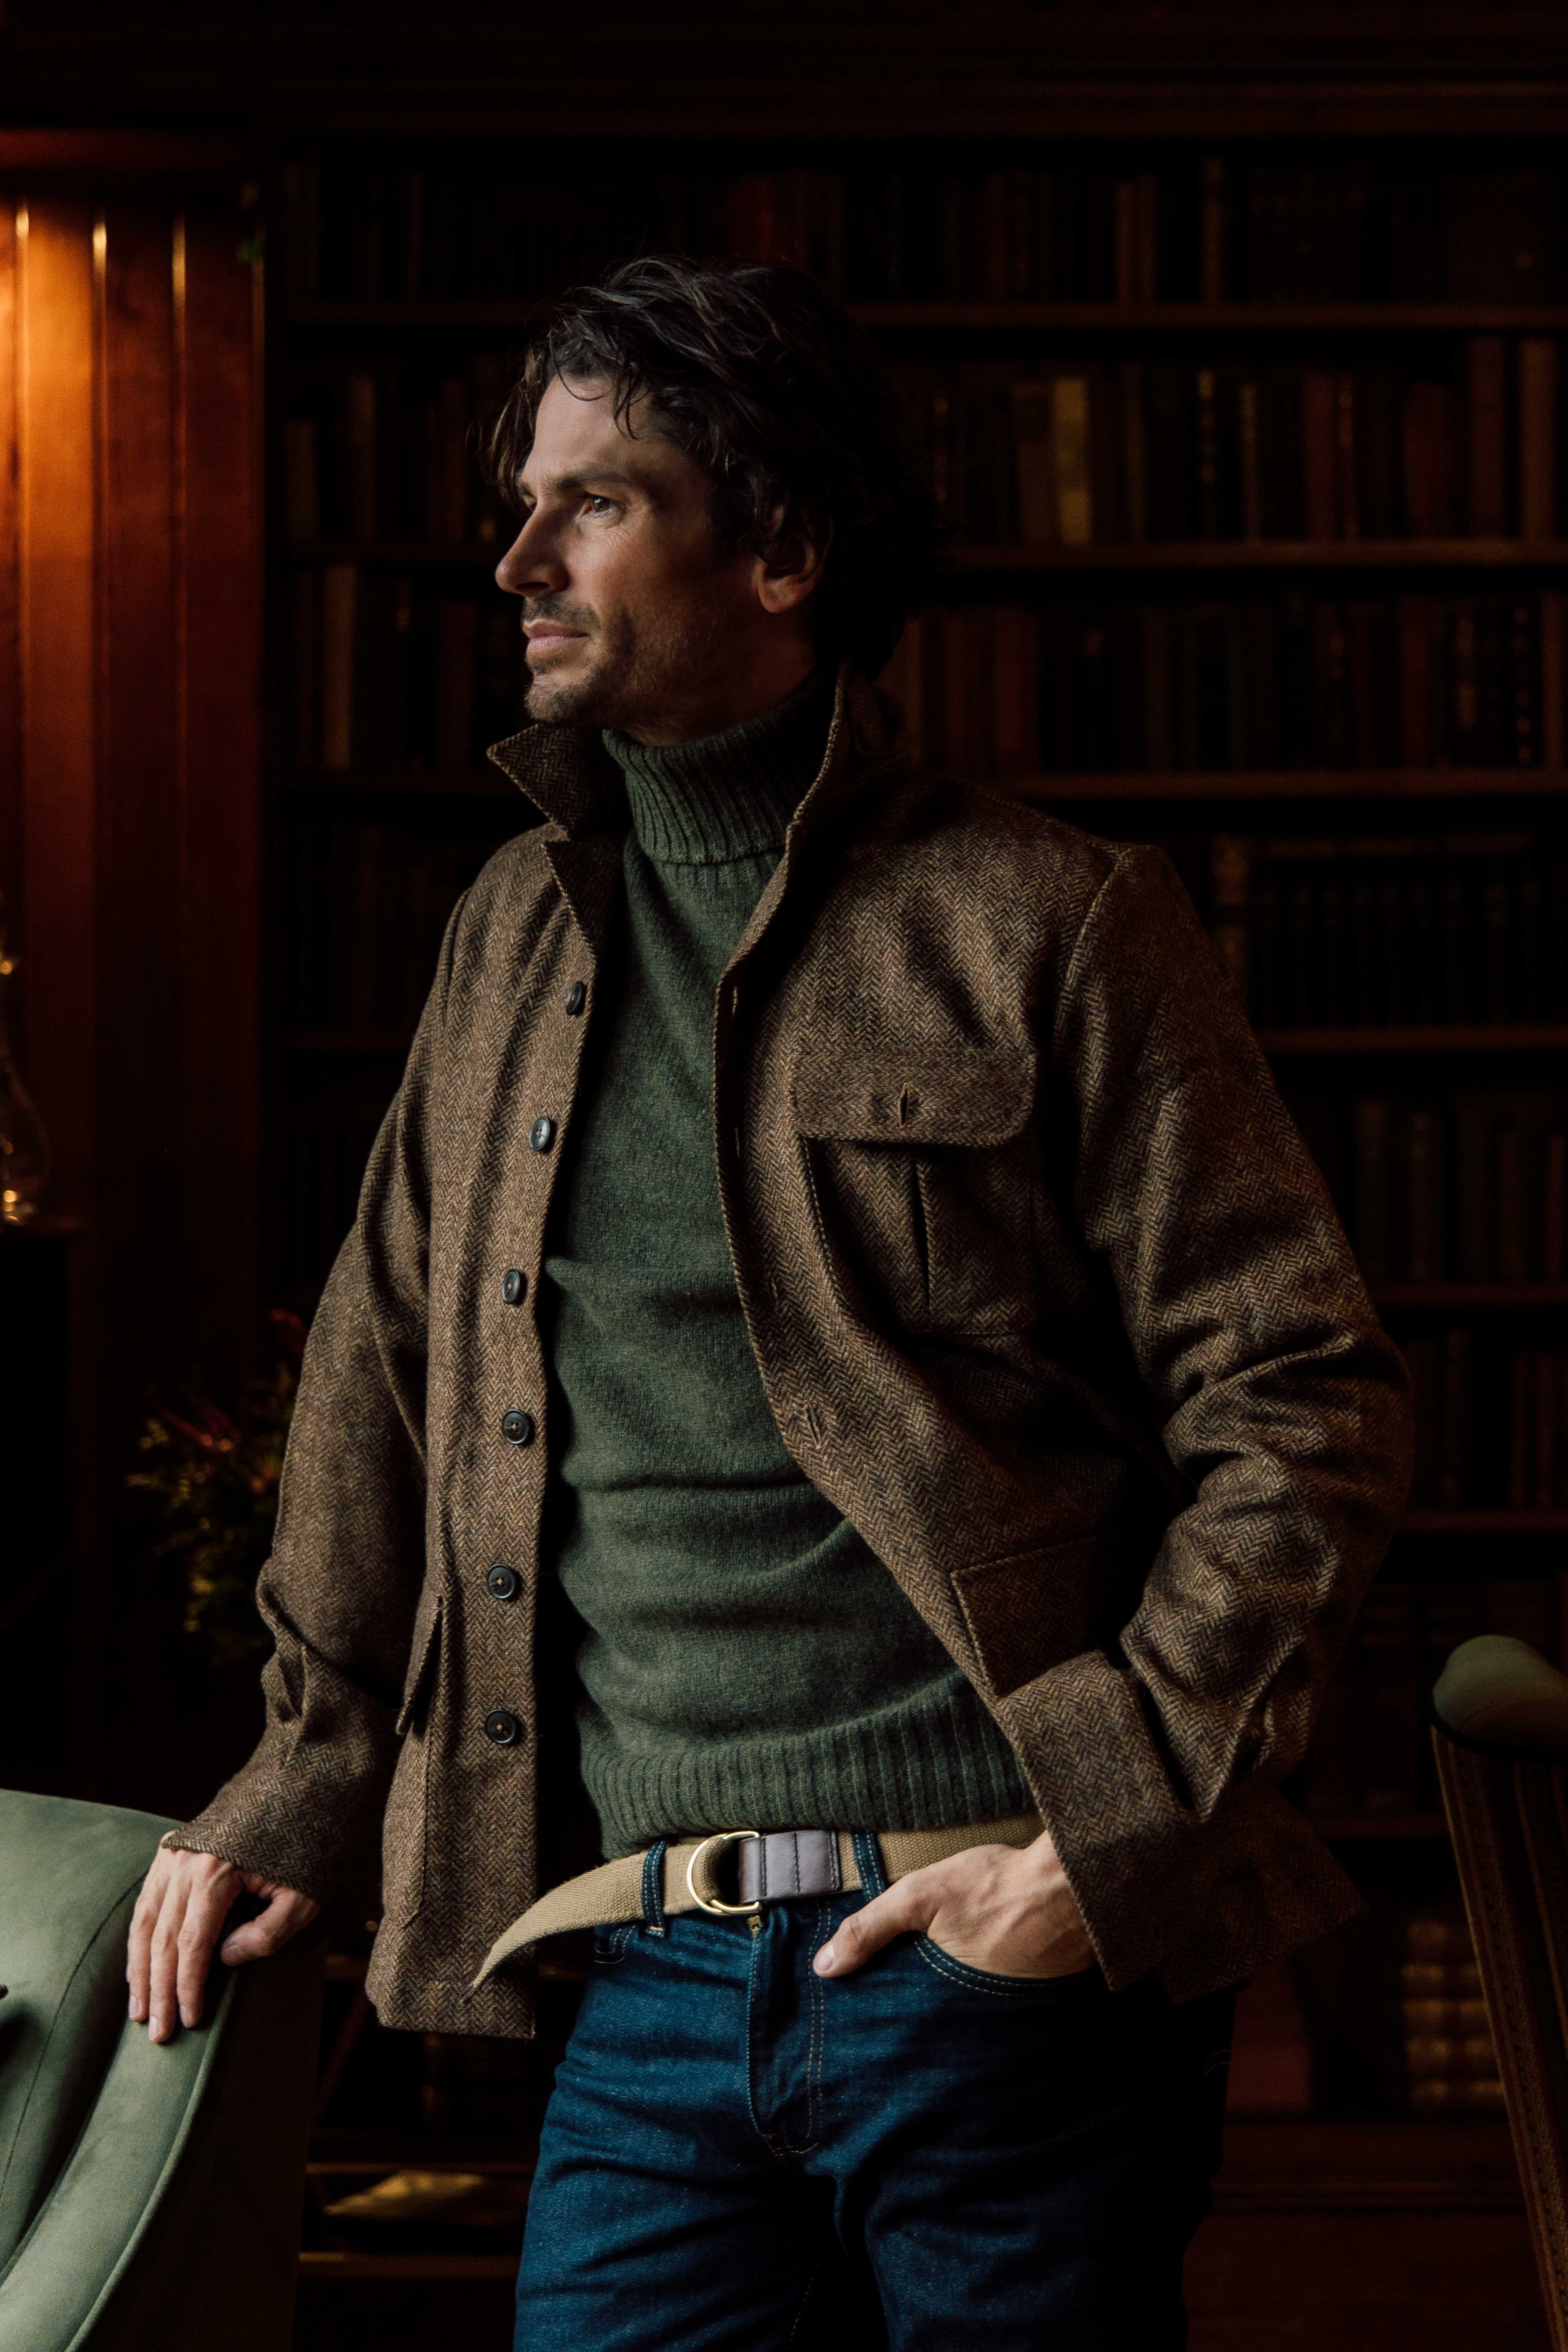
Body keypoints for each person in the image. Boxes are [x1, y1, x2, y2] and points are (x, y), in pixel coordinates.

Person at [128, 255, 1412, 2348]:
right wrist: (307, 1775)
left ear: (785, 550)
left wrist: (1101, 1842)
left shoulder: (1052, 920)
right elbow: (382, 1375)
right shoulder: (505, 933)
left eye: (593, 502)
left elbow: (1296, 1402)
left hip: (989, 1959)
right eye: (519, 500)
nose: (516, 554)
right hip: (623, 1989)